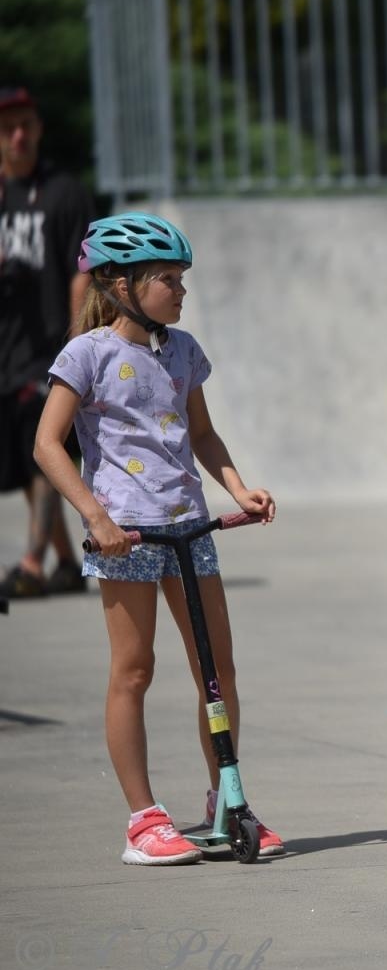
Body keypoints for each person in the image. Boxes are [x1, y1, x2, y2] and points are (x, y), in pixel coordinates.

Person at [32, 211, 282, 864]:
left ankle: (226, 798)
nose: (180, 290)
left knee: (217, 671)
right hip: (126, 537)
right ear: (118, 283)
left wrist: (238, 488)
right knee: (134, 671)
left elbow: (200, 433)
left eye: (181, 278)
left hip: (189, 528)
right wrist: (95, 518)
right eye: (167, 279)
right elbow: (47, 446)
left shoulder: (182, 350)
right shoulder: (86, 355)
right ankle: (143, 819)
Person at [1, 86, 94, 598]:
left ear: (38, 129)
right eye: (7, 127)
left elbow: (81, 271)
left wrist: (75, 344)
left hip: (49, 347)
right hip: (6, 349)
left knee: (48, 446)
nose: (18, 136)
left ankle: (33, 563)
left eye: (26, 125)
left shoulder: (64, 192)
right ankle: (65, 560)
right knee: (23, 455)